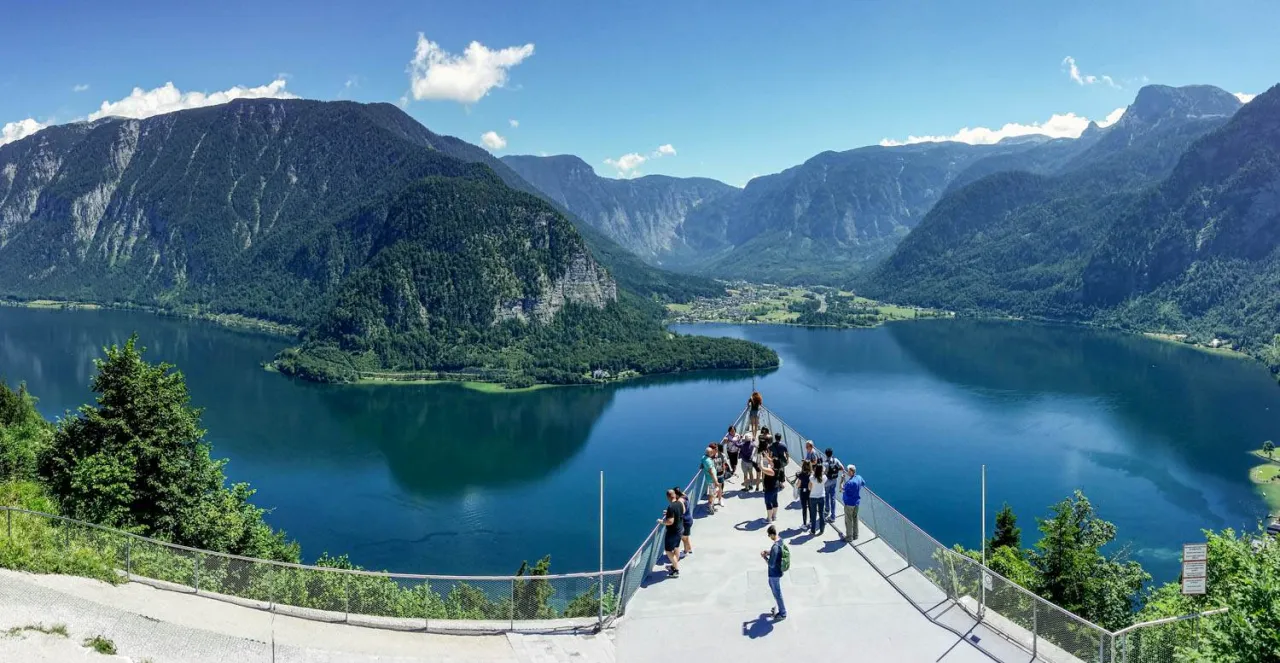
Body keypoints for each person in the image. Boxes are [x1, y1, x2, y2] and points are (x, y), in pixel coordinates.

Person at [760, 524, 787, 620]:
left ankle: (783, 613)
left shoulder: (775, 547)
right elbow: (777, 553)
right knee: (775, 591)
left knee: (777, 593)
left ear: (772, 534)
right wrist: (768, 552)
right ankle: (780, 608)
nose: (769, 537)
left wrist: (764, 557)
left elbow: (771, 564)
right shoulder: (780, 541)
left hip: (774, 573)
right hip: (778, 571)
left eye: (769, 535)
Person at [659, 488, 684, 577]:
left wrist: (661, 522)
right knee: (676, 547)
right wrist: (669, 513)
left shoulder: (671, 507)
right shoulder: (679, 503)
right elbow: (682, 511)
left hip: (672, 532)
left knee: (668, 550)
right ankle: (674, 566)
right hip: (680, 529)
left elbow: (670, 522)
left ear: (668, 497)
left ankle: (676, 570)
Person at [842, 464, 865, 543]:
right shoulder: (859, 477)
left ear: (851, 471)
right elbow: (863, 483)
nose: (847, 472)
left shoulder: (850, 483)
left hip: (849, 504)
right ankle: (855, 535)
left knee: (848, 520)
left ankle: (849, 537)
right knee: (855, 518)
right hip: (857, 503)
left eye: (848, 471)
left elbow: (842, 489)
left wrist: (842, 480)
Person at [823, 448, 843, 523]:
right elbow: (842, 468)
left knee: (826, 497)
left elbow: (823, 473)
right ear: (832, 454)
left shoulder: (825, 463)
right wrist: (836, 469)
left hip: (827, 483)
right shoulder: (836, 460)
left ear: (825, 454)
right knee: (833, 498)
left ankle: (827, 510)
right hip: (834, 481)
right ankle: (833, 516)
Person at [674, 487, 694, 558]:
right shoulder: (685, 496)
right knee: (686, 536)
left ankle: (685, 552)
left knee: (684, 538)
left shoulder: (680, 501)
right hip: (689, 519)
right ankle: (690, 549)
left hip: (685, 522)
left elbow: (682, 511)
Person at [761, 451, 780, 522]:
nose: (770, 461)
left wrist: (761, 460)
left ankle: (769, 519)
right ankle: (774, 516)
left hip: (770, 489)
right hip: (775, 487)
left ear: (774, 464)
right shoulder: (777, 468)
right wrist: (765, 455)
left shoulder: (772, 471)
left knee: (768, 502)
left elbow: (762, 468)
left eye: (772, 461)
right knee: (774, 501)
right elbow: (771, 460)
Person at [701, 445, 720, 513]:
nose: (713, 453)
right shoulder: (708, 461)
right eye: (712, 452)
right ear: (710, 453)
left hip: (709, 479)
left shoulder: (704, 457)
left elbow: (702, 464)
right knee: (713, 494)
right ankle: (710, 507)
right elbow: (711, 472)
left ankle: (710, 505)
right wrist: (716, 482)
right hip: (712, 480)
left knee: (712, 493)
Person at [793, 460, 812, 529]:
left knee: (804, 508)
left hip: (803, 492)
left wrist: (796, 487)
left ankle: (804, 524)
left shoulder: (801, 475)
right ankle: (811, 521)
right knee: (810, 507)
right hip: (810, 492)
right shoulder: (811, 474)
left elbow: (798, 484)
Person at [809, 464, 827, 536]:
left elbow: (809, 487)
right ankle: (822, 530)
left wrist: (813, 472)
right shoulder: (824, 477)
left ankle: (813, 530)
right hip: (821, 497)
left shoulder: (812, 478)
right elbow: (824, 472)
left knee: (813, 514)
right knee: (821, 513)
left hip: (813, 497)